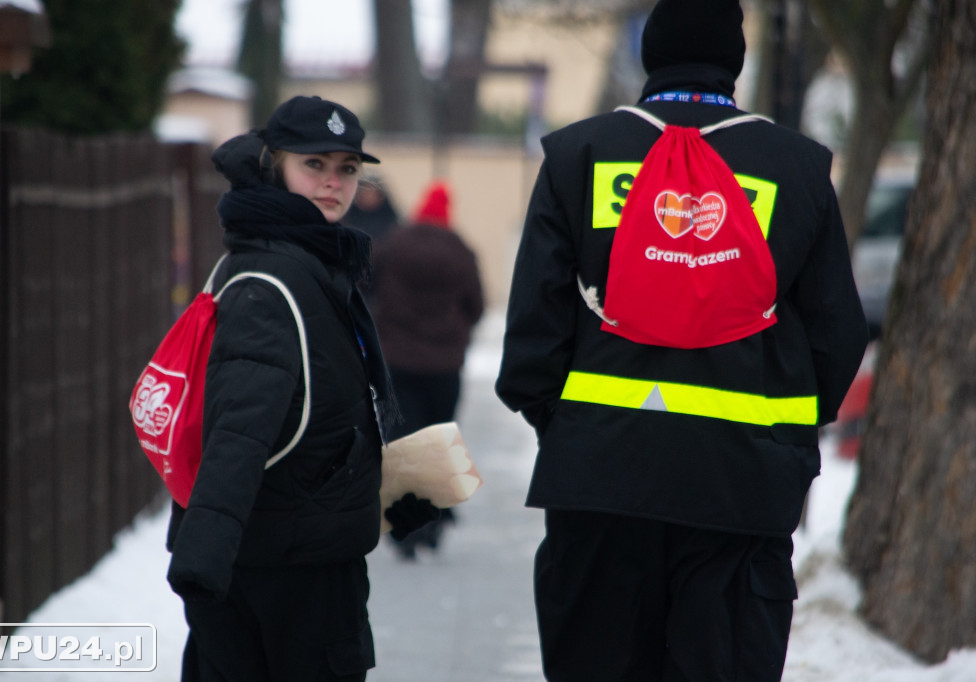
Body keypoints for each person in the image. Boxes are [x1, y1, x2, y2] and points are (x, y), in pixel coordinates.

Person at [494, 1, 869, 680]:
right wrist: (777, 434)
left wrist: (580, 427)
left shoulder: (575, 155)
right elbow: (836, 338)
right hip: (741, 492)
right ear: (736, 61)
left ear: (650, 55)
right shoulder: (800, 169)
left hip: (600, 485)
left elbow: (531, 340)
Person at [164, 95, 438, 681]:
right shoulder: (273, 280)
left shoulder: (305, 260)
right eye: (313, 165)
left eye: (346, 168)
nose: (333, 182)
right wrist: (204, 553)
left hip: (300, 552)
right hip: (283, 572)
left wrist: (396, 493)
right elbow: (240, 425)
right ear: (273, 165)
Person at [368, 180, 485, 559]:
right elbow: (477, 306)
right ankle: (434, 522)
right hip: (444, 365)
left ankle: (405, 530)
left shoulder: (393, 243)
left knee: (402, 441)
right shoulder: (461, 251)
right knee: (439, 441)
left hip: (397, 361)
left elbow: (366, 286)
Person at [343, 173, 400, 245]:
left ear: (380, 195)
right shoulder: (346, 223)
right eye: (363, 192)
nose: (367, 196)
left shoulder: (394, 225)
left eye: (371, 192)